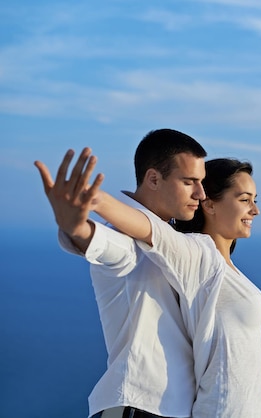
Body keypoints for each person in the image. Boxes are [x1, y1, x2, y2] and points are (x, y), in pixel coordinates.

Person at [34, 129, 208, 418]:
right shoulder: (128, 241)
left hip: (171, 410)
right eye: (189, 182)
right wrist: (77, 228)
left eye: (200, 183)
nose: (200, 194)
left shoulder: (178, 244)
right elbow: (107, 245)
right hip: (136, 407)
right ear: (153, 178)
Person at [89, 157, 261, 418]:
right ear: (209, 204)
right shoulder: (198, 255)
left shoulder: (225, 268)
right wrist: (93, 198)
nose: (255, 210)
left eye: (255, 200)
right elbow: (149, 228)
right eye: (244, 200)